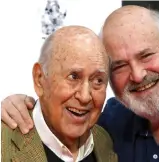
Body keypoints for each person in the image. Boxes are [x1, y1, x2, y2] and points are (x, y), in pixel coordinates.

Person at [2, 5, 159, 162]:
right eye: (119, 66)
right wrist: (21, 105)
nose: (137, 75)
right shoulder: (110, 122)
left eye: (146, 55)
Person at [1, 25, 117, 162]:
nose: (85, 96)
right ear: (39, 79)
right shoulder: (4, 143)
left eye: (98, 80)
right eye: (73, 77)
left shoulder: (104, 141)